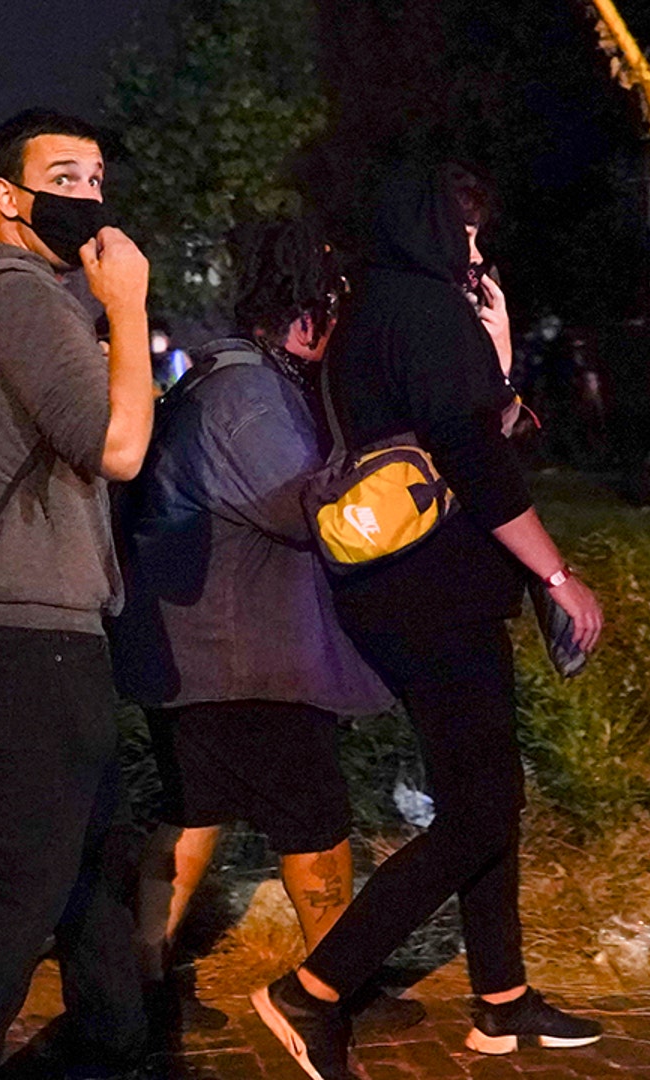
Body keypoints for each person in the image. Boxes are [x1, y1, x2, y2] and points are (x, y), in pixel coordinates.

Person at [250, 164, 606, 1080]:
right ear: (435, 230)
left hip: (392, 590)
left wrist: (497, 348)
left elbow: (474, 423)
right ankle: (314, 991)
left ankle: (502, 999)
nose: (478, 254)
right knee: (484, 806)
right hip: (437, 593)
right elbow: (482, 465)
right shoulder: (424, 308)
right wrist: (560, 577)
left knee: (479, 794)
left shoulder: (364, 309)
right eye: (470, 235)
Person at [114, 220, 420, 1034]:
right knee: (315, 820)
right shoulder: (249, 396)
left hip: (205, 645)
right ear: (301, 318)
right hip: (248, 654)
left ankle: (132, 987)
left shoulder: (224, 382)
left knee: (193, 809)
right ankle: (335, 984)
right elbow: (310, 512)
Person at [0, 108, 155, 1080]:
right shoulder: (23, 303)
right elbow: (119, 449)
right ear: (9, 196)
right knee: (28, 887)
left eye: (95, 177)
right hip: (27, 638)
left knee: (87, 854)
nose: (86, 196)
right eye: (63, 176)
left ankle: (116, 1035)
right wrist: (127, 307)